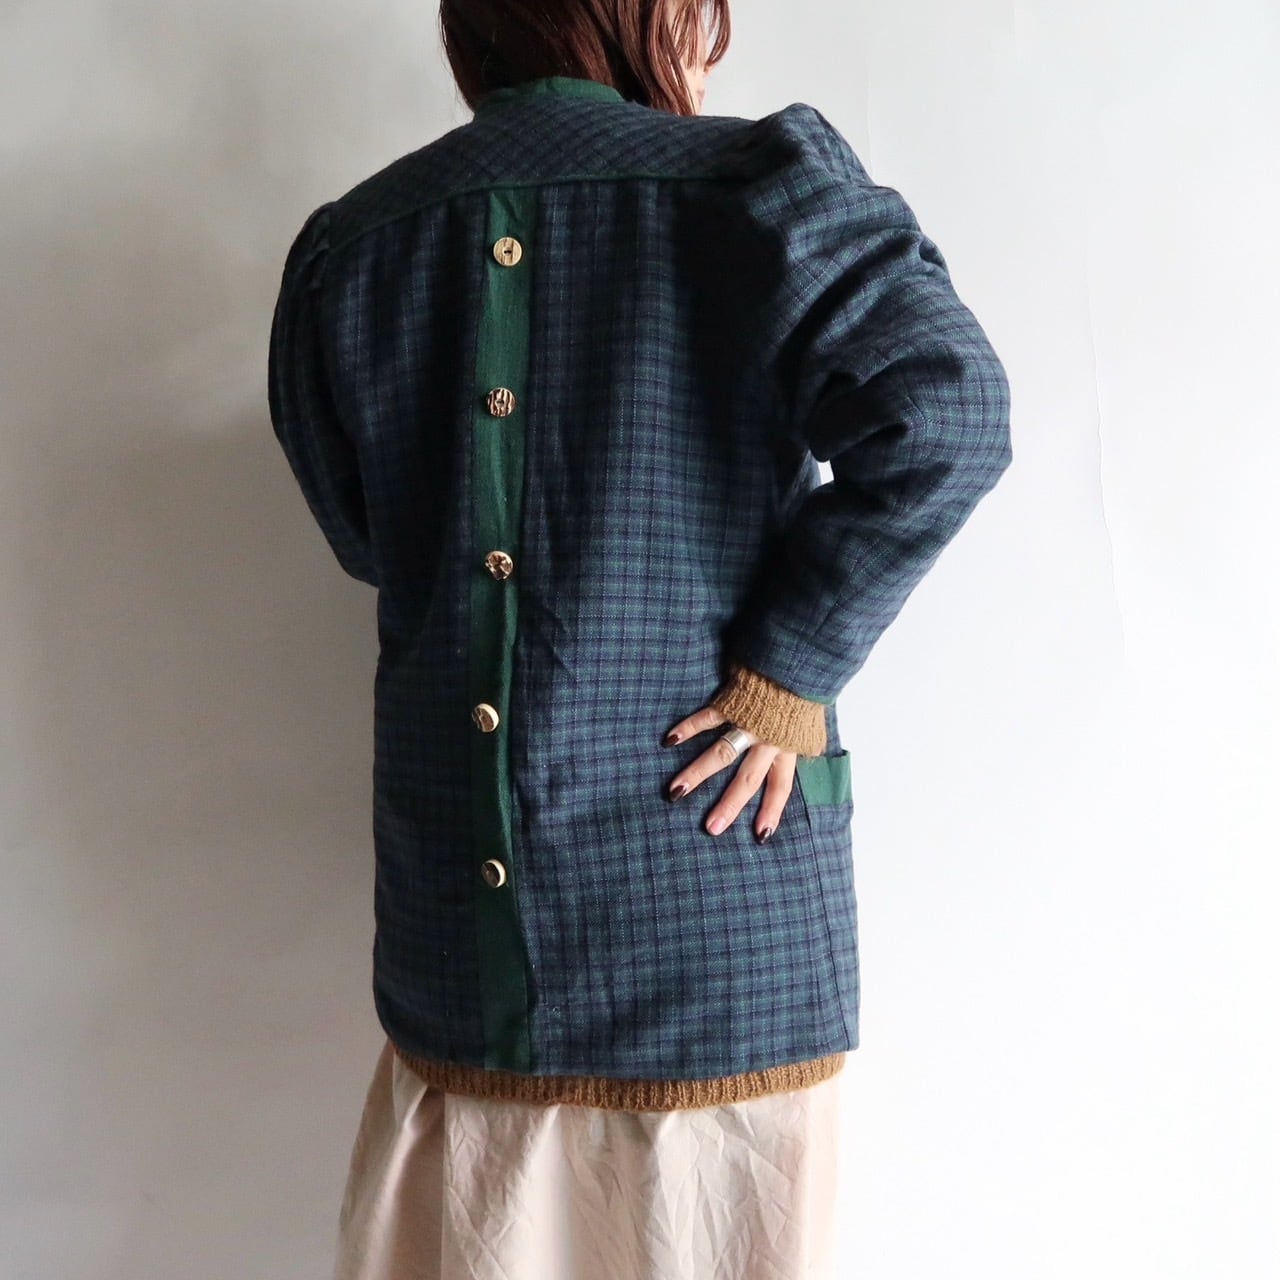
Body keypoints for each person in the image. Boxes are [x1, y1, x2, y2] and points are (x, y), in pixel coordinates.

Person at [266, 1, 1012, 1276]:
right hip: (716, 903)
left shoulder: (358, 245)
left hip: (466, 932)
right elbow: (947, 413)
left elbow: (367, 534)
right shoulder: (753, 193)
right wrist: (787, 667)